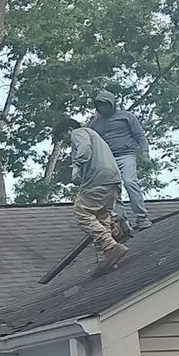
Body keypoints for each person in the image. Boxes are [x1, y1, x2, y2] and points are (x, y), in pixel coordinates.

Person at [53, 115, 128, 275]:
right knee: (101, 219)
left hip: (97, 180)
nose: (65, 142)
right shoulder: (96, 137)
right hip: (112, 181)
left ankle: (112, 247)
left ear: (69, 130)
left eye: (63, 137)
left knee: (81, 213)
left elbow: (84, 149)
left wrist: (76, 166)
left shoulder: (79, 132)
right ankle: (108, 258)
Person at [89, 95, 151, 230]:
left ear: (112, 104)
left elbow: (139, 135)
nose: (102, 108)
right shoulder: (95, 124)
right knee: (113, 190)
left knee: (130, 182)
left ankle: (142, 216)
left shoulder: (127, 116)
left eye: (105, 104)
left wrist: (145, 154)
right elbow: (91, 144)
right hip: (107, 159)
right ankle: (121, 221)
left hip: (126, 155)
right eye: (100, 105)